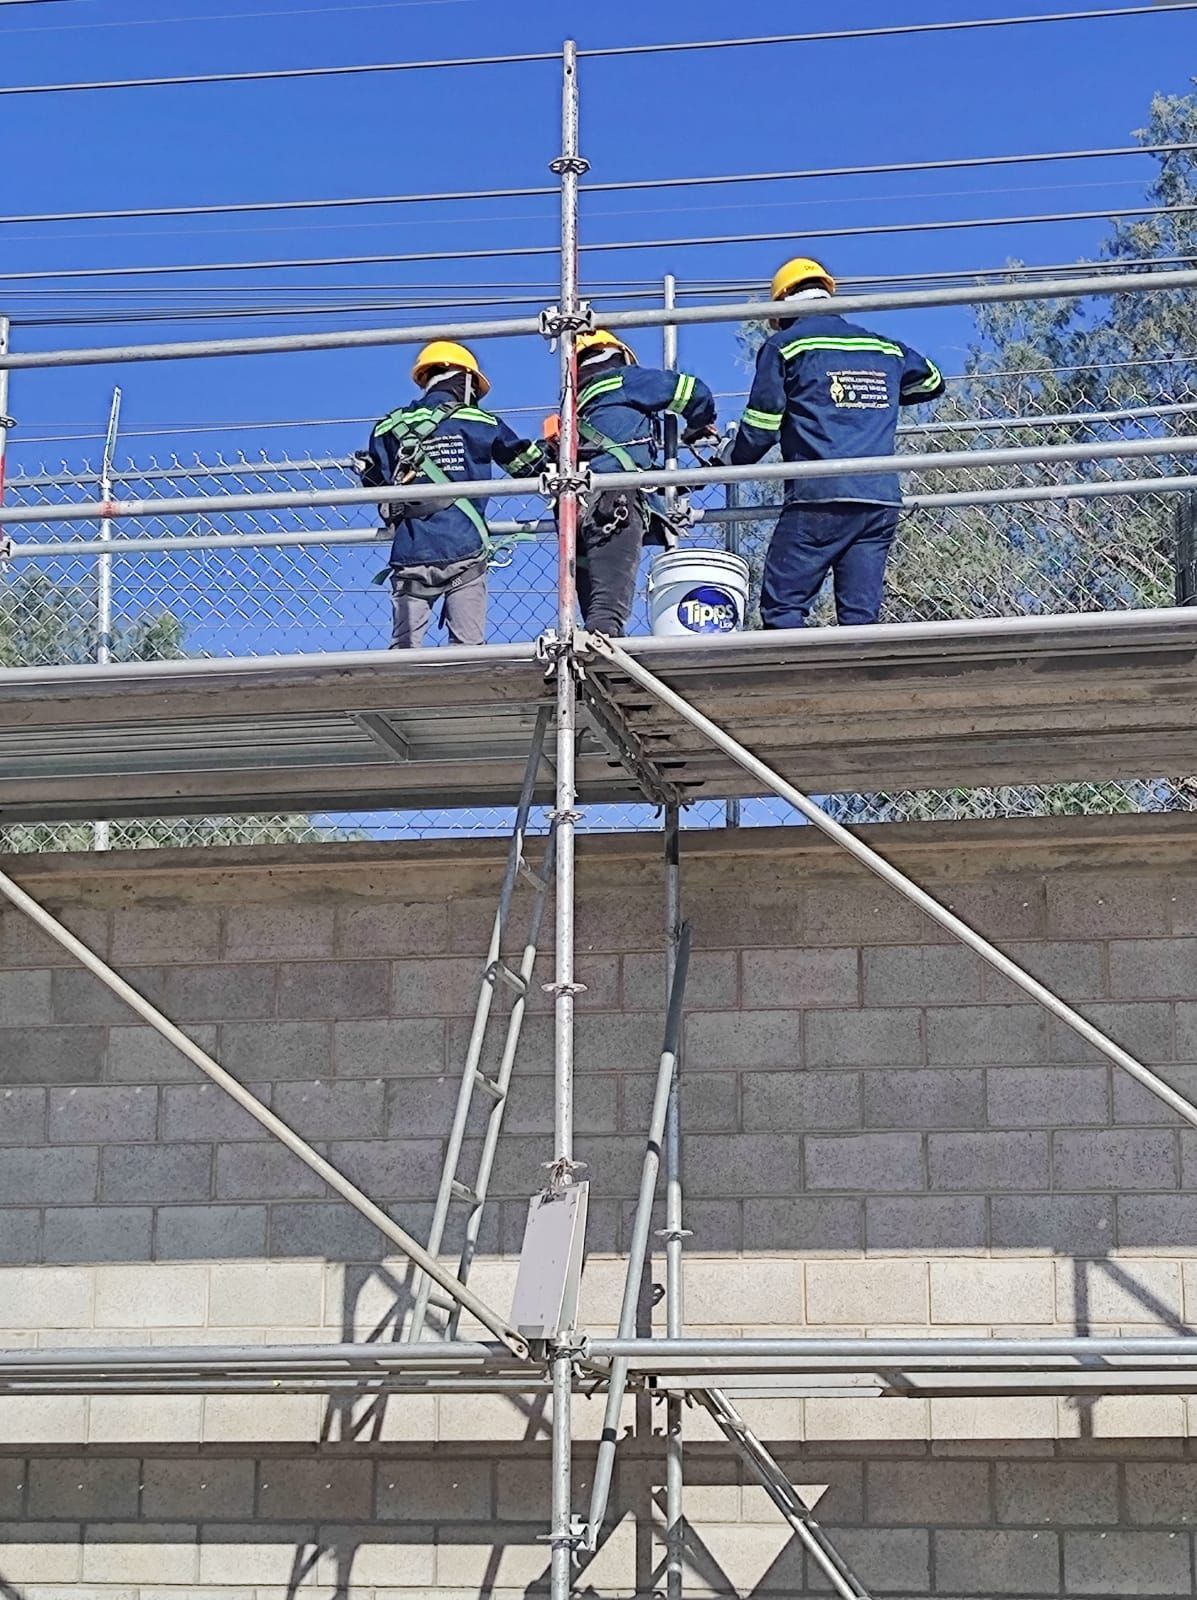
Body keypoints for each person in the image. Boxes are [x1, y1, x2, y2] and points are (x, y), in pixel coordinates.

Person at [727, 256, 945, 630]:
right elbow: (932, 381)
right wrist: (877, 393)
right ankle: (858, 685)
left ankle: (795, 683)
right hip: (879, 499)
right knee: (860, 618)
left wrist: (726, 460)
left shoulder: (785, 346)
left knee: (784, 608)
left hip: (820, 496)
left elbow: (762, 425)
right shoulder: (885, 348)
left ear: (779, 307)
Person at [357, 341, 544, 649]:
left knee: (402, 654)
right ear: (465, 379)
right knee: (467, 649)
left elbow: (375, 481)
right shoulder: (479, 422)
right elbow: (526, 465)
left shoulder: (388, 426)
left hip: (410, 551)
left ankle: (403, 693)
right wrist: (556, 457)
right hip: (464, 548)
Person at [570, 328, 717, 637]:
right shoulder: (625, 380)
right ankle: (606, 656)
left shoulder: (576, 409)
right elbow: (692, 391)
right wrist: (698, 424)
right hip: (617, 501)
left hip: (579, 511)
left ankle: (590, 670)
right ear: (621, 356)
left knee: (595, 602)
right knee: (608, 610)